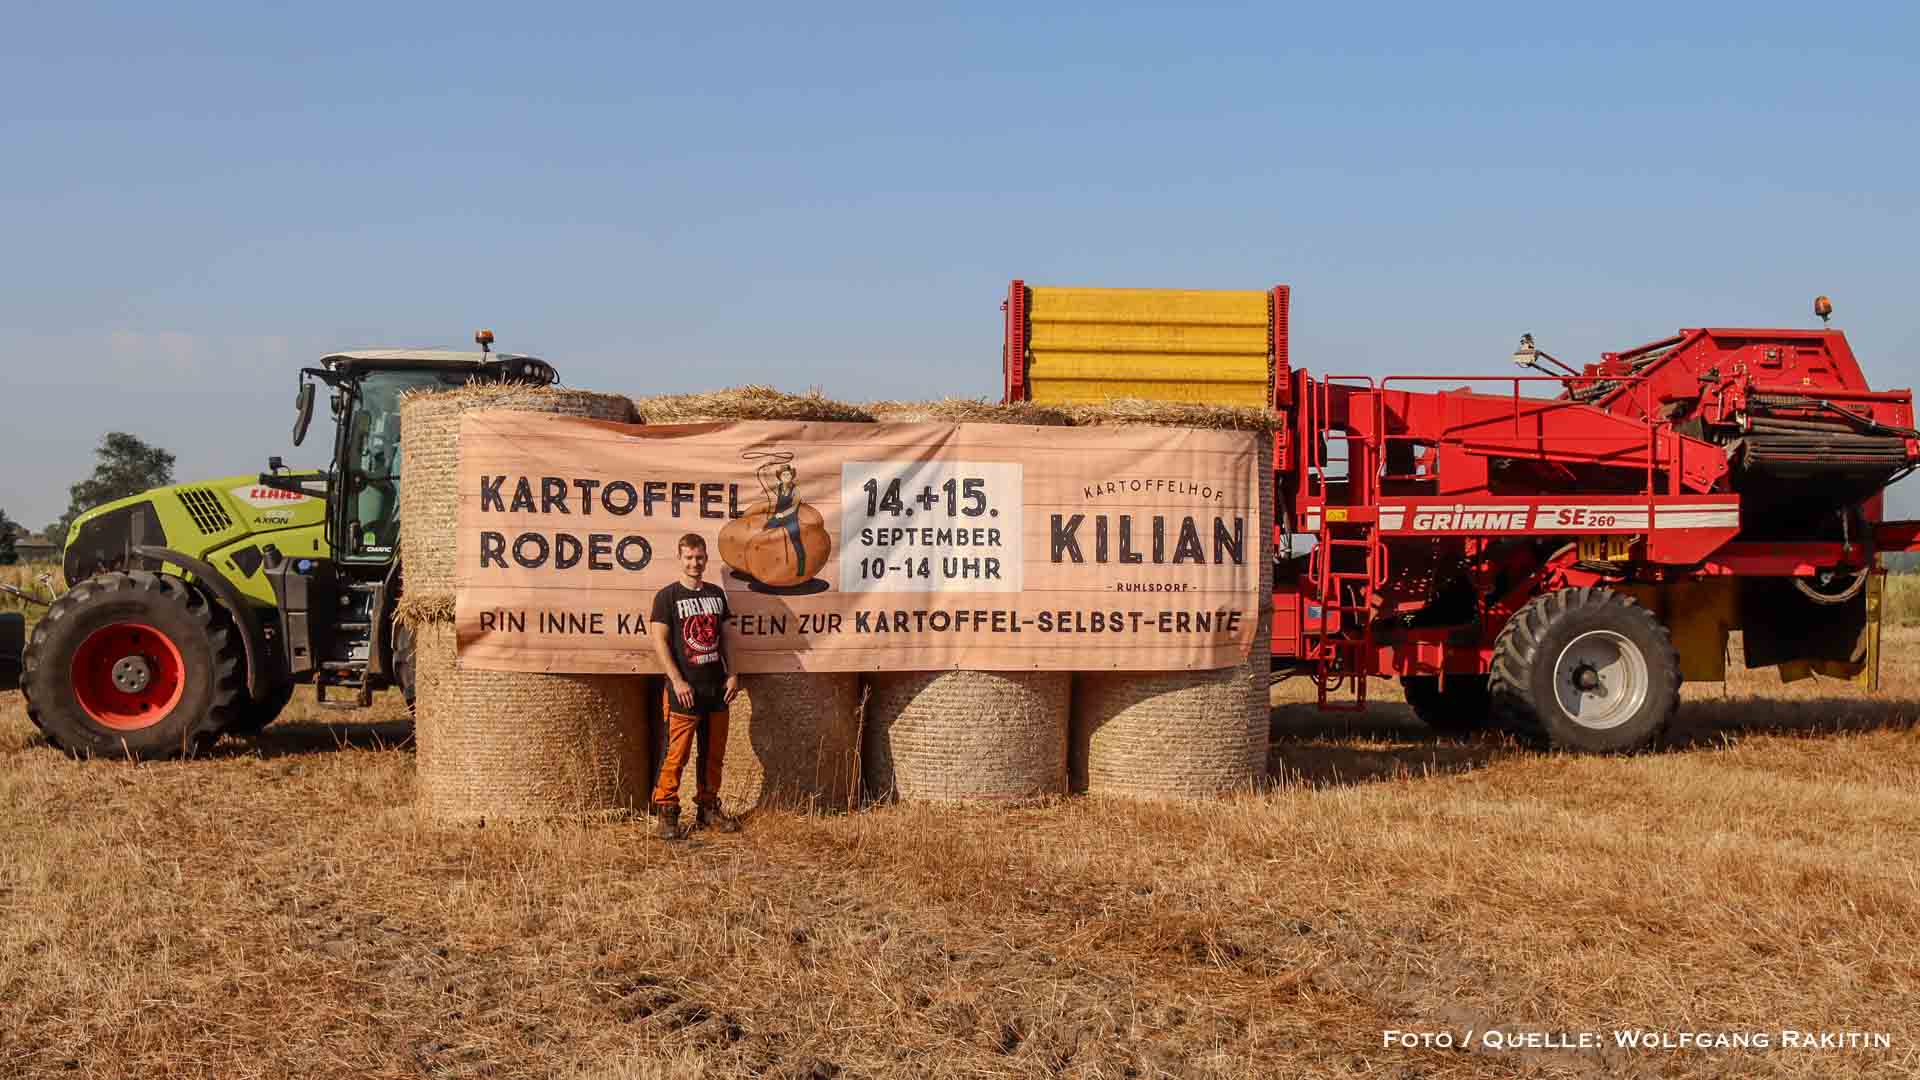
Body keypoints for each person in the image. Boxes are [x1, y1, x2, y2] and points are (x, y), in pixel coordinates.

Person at [646, 533, 742, 839]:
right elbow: (659, 641)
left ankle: (708, 807)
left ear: (706, 559)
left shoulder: (716, 594)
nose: (694, 563)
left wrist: (734, 673)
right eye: (688, 557)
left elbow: (727, 637)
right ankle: (667, 810)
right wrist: (677, 680)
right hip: (684, 690)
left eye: (699, 557)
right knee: (677, 754)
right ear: (680, 558)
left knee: (714, 754)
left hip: (717, 688)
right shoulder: (667, 597)